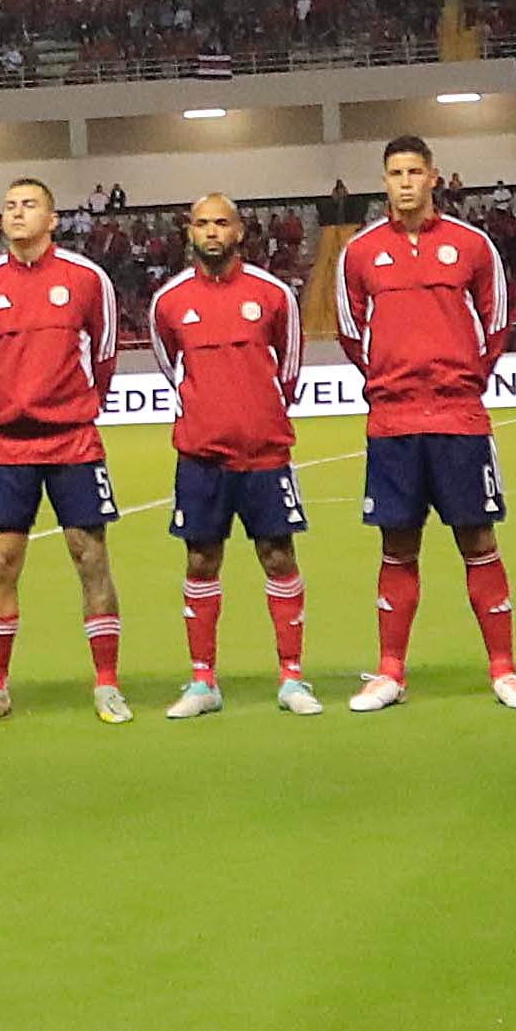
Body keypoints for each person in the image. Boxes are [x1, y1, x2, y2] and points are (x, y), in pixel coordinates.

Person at [334, 137, 516, 711]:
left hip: (458, 416)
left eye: (414, 171)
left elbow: (495, 323)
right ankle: (390, 673)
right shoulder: (360, 251)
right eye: (395, 172)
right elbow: (353, 332)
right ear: (384, 181)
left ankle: (504, 670)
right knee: (398, 544)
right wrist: (390, 377)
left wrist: (465, 376)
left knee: (478, 538)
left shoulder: (473, 245)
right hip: (393, 419)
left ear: (433, 178)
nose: (404, 182)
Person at [0, 176, 126, 725]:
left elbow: (103, 356)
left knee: (90, 557)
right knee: (2, 562)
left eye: (29, 206)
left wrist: (70, 404)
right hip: (8, 445)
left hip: (73, 440)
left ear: (52, 219)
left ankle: (106, 685)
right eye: (9, 207)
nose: (17, 214)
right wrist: (16, 402)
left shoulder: (86, 280)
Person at [149, 191, 319, 718]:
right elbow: (169, 365)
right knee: (201, 559)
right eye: (202, 224)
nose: (212, 232)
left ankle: (292, 677)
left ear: (240, 231)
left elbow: (288, 370)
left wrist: (258, 415)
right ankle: (203, 682)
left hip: (265, 454)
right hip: (201, 456)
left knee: (279, 556)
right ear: (189, 232)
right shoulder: (169, 301)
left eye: (221, 223)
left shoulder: (273, 295)